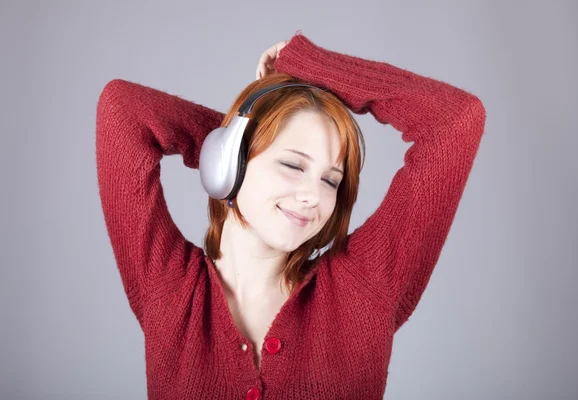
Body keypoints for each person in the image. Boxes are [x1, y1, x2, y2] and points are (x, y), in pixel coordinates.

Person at [96, 31, 486, 400]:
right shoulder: (167, 286)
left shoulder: (365, 286)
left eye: (331, 181)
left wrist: (307, 62)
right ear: (234, 161)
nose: (312, 196)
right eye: (293, 165)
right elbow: (122, 108)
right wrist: (228, 149)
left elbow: (455, 121)